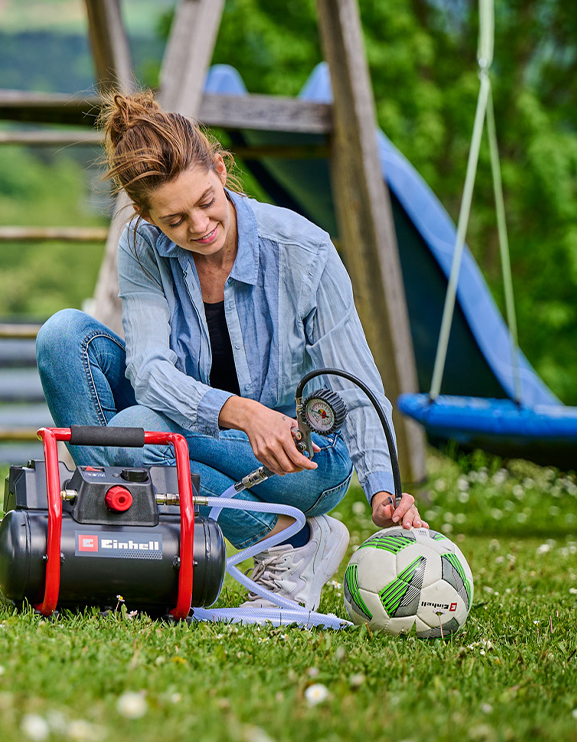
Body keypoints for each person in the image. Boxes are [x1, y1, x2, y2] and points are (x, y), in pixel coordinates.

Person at [35, 90, 427, 612]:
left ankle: (291, 545)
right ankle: (120, 539)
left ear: (220, 171)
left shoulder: (304, 251)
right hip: (200, 431)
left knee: (139, 432)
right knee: (63, 337)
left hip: (302, 458)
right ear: (147, 217)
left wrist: (382, 488)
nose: (198, 228)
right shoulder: (141, 246)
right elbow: (150, 373)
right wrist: (242, 414)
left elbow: (355, 382)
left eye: (205, 203)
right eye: (174, 220)